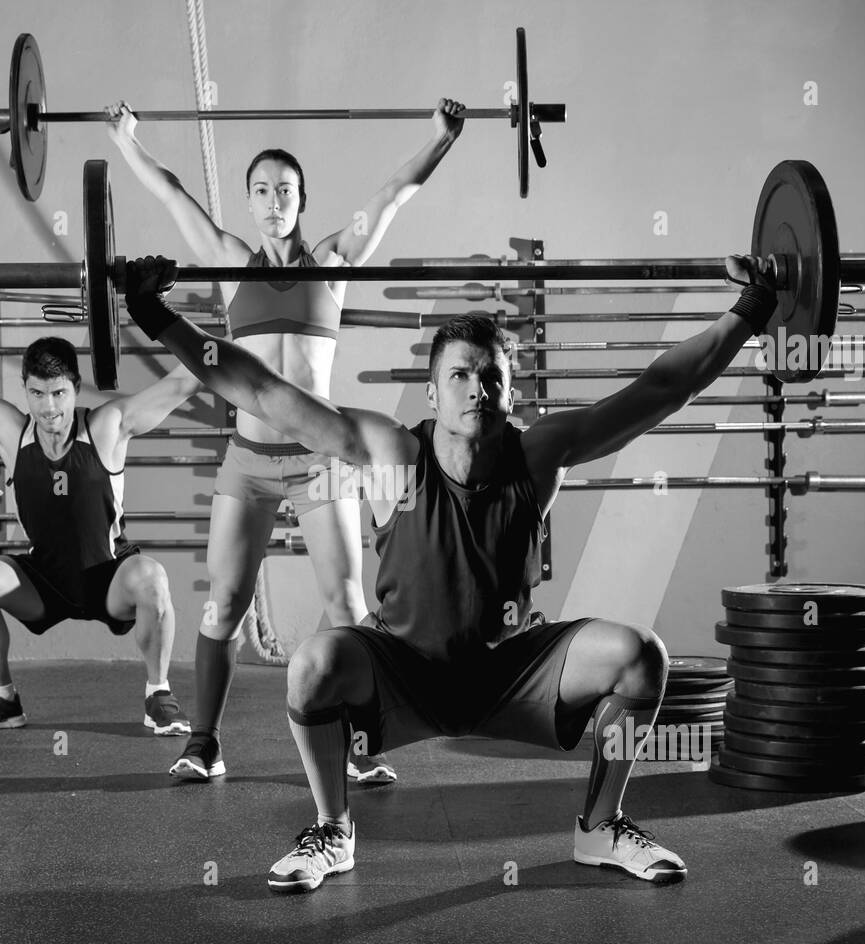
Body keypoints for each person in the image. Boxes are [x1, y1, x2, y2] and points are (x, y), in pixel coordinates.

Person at [121, 252, 779, 888]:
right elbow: (263, 389)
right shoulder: (390, 454)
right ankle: (332, 829)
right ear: (432, 391)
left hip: (513, 671)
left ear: (510, 389)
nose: (477, 388)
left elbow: (661, 388)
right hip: (404, 672)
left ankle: (600, 825)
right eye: (460, 375)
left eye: (491, 376)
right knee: (312, 665)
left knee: (641, 657)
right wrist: (156, 315)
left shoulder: (540, 452)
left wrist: (749, 311)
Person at [106, 99, 466, 785]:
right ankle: (204, 743)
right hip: (247, 463)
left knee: (348, 604)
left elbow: (393, 196)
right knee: (224, 603)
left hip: (320, 464)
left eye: (285, 191)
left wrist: (441, 139)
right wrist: (127, 142)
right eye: (262, 192)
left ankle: (365, 742)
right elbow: (173, 192)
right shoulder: (228, 261)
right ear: (248, 204)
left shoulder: (331, 260)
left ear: (302, 202)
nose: (274, 201)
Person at [0, 281, 203, 736]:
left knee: (152, 578)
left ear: (74, 388)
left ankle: (158, 695)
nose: (49, 408)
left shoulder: (108, 426)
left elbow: (188, 379)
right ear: (26, 392)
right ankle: (3, 699)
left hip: (108, 577)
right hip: (44, 580)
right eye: (37, 394)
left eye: (59, 394)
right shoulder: (12, 430)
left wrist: (245, 329)